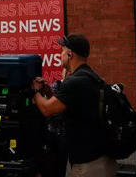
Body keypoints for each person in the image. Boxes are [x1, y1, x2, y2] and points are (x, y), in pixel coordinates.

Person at [30, 34, 116, 177]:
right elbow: (64, 106)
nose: (60, 55)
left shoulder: (75, 82)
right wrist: (48, 92)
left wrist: (33, 90)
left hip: (89, 165)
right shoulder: (89, 76)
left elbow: (47, 109)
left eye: (62, 51)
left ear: (70, 54)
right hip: (101, 159)